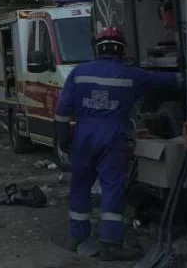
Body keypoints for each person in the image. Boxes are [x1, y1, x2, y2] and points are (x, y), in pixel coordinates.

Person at [55, 25, 179, 262]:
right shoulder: (130, 74)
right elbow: (164, 80)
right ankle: (110, 244)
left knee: (79, 186)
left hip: (83, 136)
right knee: (112, 188)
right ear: (121, 50)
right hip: (113, 136)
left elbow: (62, 112)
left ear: (97, 48)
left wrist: (64, 139)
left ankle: (77, 238)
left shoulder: (79, 73)